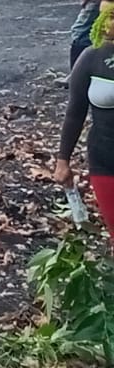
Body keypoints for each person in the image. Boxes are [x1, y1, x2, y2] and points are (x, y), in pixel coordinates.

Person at [56, 20, 114, 238]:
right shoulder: (91, 57)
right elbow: (75, 112)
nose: (110, 22)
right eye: (108, 16)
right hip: (105, 160)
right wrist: (63, 160)